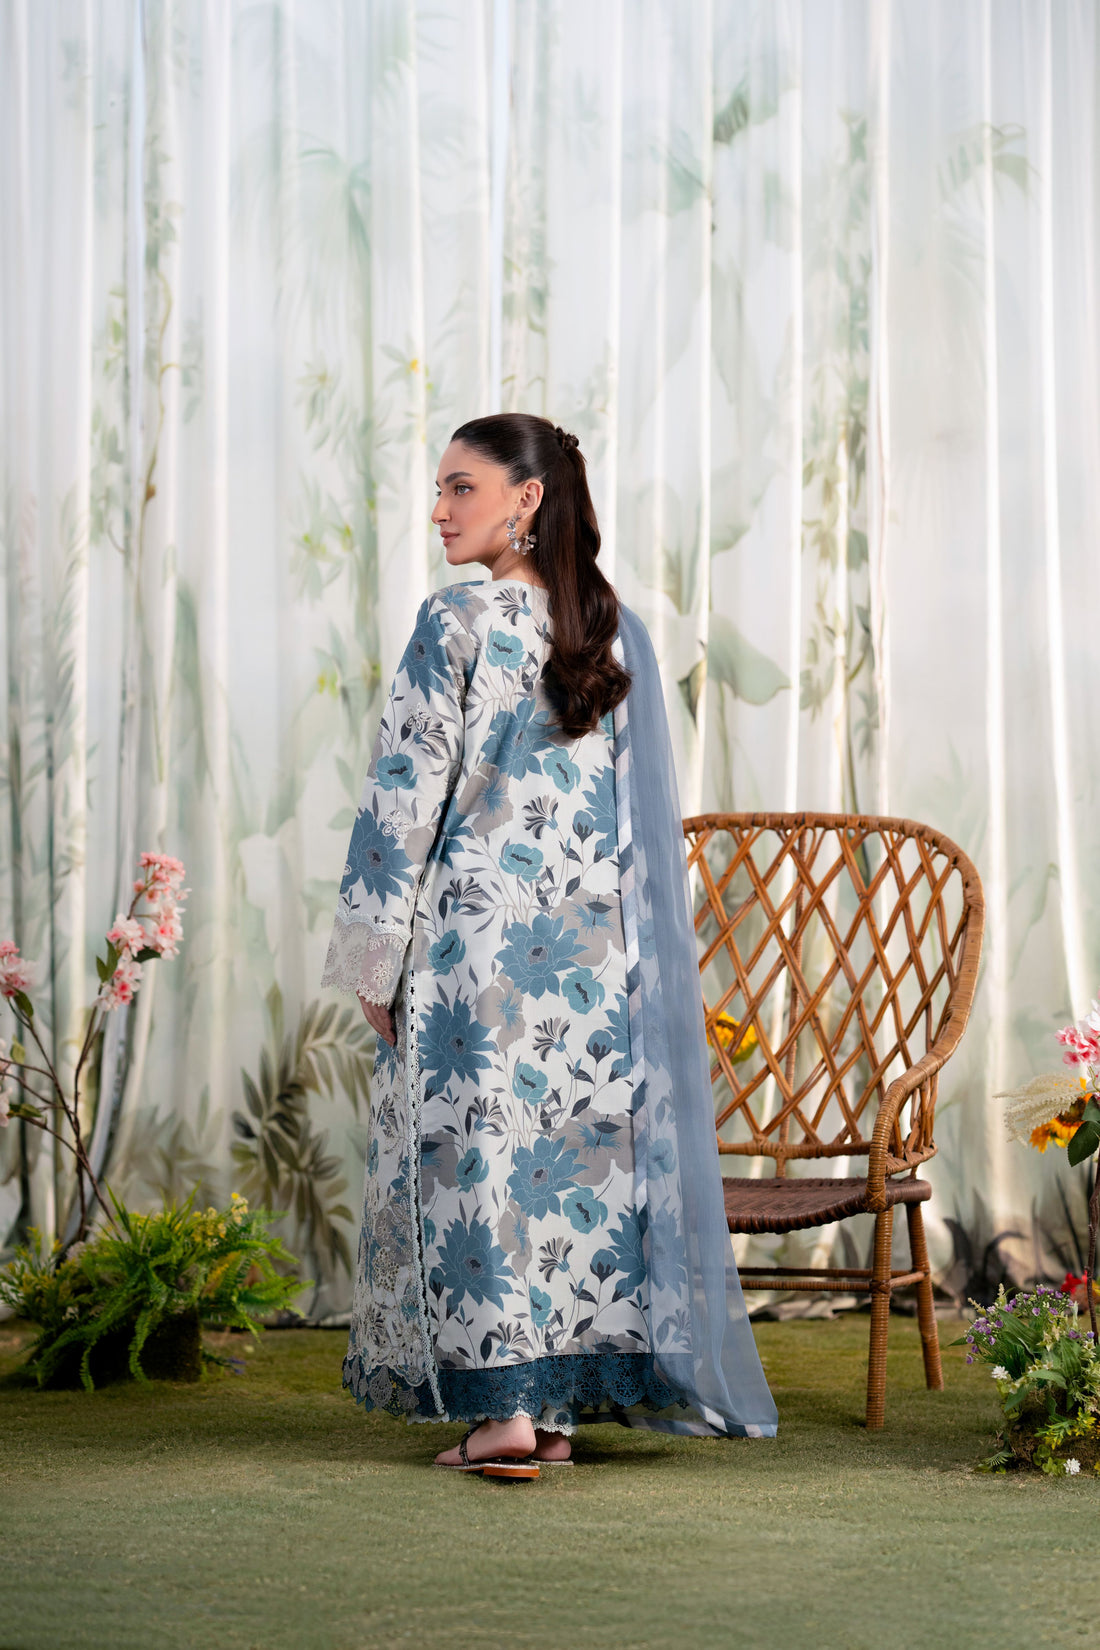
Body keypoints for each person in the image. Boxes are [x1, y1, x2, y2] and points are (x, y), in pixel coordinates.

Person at [321, 413, 776, 1478]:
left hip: (473, 956)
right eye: (440, 488)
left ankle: (502, 1419)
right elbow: (636, 822)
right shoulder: (609, 629)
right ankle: (555, 1409)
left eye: (461, 488)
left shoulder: (454, 620)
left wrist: (374, 954)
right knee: (568, 1175)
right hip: (591, 964)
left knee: (477, 1172)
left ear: (526, 499)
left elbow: (403, 796)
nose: (439, 511)